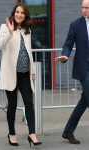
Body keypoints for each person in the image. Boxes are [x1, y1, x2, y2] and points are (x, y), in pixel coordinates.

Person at [0, 2, 42, 147]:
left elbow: (28, 52)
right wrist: (10, 33)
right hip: (11, 73)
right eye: (17, 12)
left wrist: (33, 71)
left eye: (22, 13)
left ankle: (32, 133)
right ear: (13, 13)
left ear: (25, 15)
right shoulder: (5, 27)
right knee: (12, 104)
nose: (19, 15)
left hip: (25, 73)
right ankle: (11, 133)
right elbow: (0, 45)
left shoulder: (26, 29)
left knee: (29, 102)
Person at [55, 0, 89, 144]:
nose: (84, 10)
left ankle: (68, 131)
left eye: (87, 7)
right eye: (82, 7)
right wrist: (65, 55)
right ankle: (68, 131)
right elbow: (68, 44)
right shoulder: (75, 25)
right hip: (84, 68)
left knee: (85, 101)